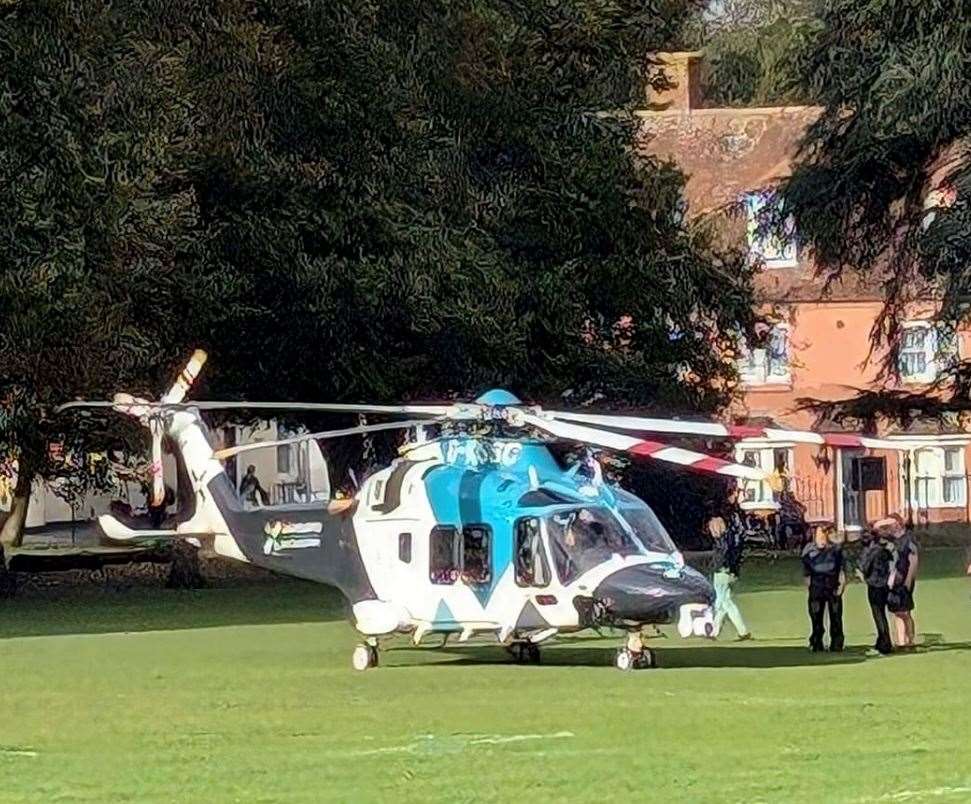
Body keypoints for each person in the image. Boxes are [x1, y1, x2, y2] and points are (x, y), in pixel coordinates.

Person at [707, 489, 752, 641]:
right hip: (728, 568)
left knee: (721, 601)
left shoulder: (724, 543)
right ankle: (736, 631)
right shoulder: (734, 535)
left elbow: (724, 551)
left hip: (722, 569)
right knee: (725, 601)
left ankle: (716, 630)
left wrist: (723, 565)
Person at [801, 524, 845, 652]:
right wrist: (810, 588)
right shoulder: (809, 551)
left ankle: (837, 643)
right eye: (819, 534)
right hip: (816, 587)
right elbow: (806, 572)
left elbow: (842, 570)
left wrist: (842, 585)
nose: (822, 537)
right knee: (816, 617)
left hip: (833, 588)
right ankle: (816, 642)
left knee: (836, 616)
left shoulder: (835, 550)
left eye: (824, 534)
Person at [879, 514, 919, 649]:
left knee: (905, 611)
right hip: (892, 580)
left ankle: (910, 639)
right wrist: (885, 521)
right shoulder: (890, 539)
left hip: (905, 579)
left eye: (894, 523)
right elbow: (875, 528)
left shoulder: (909, 538)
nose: (891, 526)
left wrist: (909, 580)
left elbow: (913, 560)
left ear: (900, 523)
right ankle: (901, 642)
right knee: (896, 610)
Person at [856, 527, 894, 655]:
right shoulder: (884, 550)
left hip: (875, 585)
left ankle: (885, 642)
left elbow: (864, 567)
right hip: (885, 585)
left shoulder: (871, 552)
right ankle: (881, 640)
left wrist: (861, 573)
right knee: (882, 614)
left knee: (878, 614)